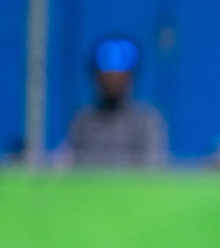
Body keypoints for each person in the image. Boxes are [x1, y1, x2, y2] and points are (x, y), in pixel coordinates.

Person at [63, 37, 167, 168]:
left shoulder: (147, 120)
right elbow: (70, 164)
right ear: (96, 78)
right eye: (106, 76)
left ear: (130, 79)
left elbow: (154, 169)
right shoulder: (83, 120)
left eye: (119, 77)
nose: (112, 82)